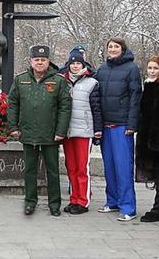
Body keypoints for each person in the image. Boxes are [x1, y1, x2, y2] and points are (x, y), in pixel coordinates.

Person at [8, 45, 71, 216]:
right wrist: (13, 127)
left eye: (43, 60)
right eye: (37, 59)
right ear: (31, 61)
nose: (40, 62)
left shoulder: (58, 80)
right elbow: (13, 103)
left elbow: (65, 108)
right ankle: (30, 202)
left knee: (52, 171)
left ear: (48, 61)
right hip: (28, 133)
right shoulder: (20, 80)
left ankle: (54, 204)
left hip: (50, 134)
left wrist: (61, 131)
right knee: (30, 170)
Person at [94, 37, 142, 221]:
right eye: (110, 47)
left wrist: (132, 124)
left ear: (123, 49)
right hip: (106, 126)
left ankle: (128, 206)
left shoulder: (131, 69)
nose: (113, 49)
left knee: (123, 167)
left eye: (116, 47)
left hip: (122, 126)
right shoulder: (102, 69)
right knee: (110, 167)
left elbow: (135, 97)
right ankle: (112, 201)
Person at [61, 50, 102, 215]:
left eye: (78, 63)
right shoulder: (62, 81)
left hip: (84, 130)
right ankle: (74, 198)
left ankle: (83, 200)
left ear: (83, 65)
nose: (75, 66)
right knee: (70, 166)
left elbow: (97, 108)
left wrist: (98, 129)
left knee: (81, 167)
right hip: (67, 131)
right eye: (73, 63)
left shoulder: (92, 83)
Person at [135, 56, 159, 223]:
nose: (151, 71)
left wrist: (156, 141)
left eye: (155, 68)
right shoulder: (150, 86)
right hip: (149, 136)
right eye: (149, 68)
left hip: (156, 138)